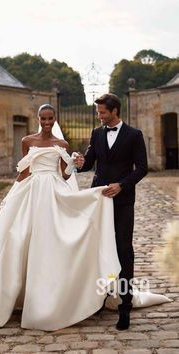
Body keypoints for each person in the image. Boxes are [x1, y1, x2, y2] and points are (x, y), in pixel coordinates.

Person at [0, 104, 123, 331]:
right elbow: (24, 172)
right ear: (38, 118)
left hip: (53, 191)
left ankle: (49, 300)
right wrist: (11, 196)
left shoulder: (62, 144)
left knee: (50, 241)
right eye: (43, 118)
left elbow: (63, 175)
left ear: (55, 119)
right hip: (31, 193)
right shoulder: (27, 141)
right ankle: (14, 295)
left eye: (50, 118)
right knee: (19, 238)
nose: (46, 122)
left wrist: (72, 164)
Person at [78, 93, 148, 330]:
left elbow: (142, 168)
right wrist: (78, 162)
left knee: (123, 251)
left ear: (115, 111)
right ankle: (100, 298)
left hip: (123, 201)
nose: (99, 116)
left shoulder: (134, 135)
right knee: (98, 249)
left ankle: (124, 307)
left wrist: (122, 185)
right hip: (97, 201)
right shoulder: (97, 133)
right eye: (98, 112)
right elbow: (88, 164)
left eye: (103, 112)